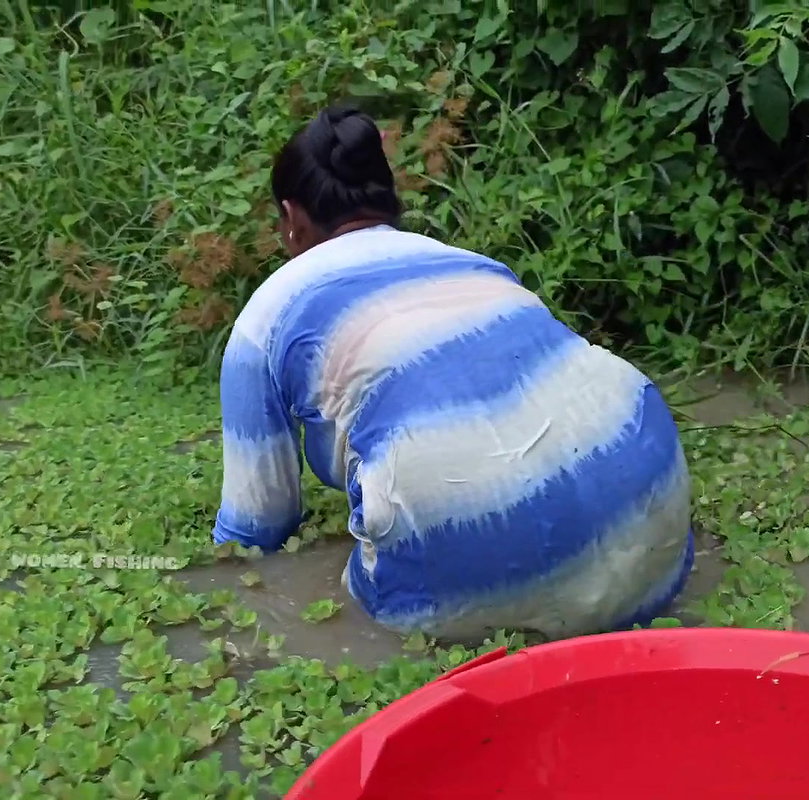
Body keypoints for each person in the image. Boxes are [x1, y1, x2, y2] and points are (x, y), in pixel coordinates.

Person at [213, 105, 694, 641]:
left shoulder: (266, 317)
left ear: (292, 217)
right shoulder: (473, 263)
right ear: (386, 200)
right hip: (655, 528)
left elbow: (257, 529)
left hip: (460, 585)